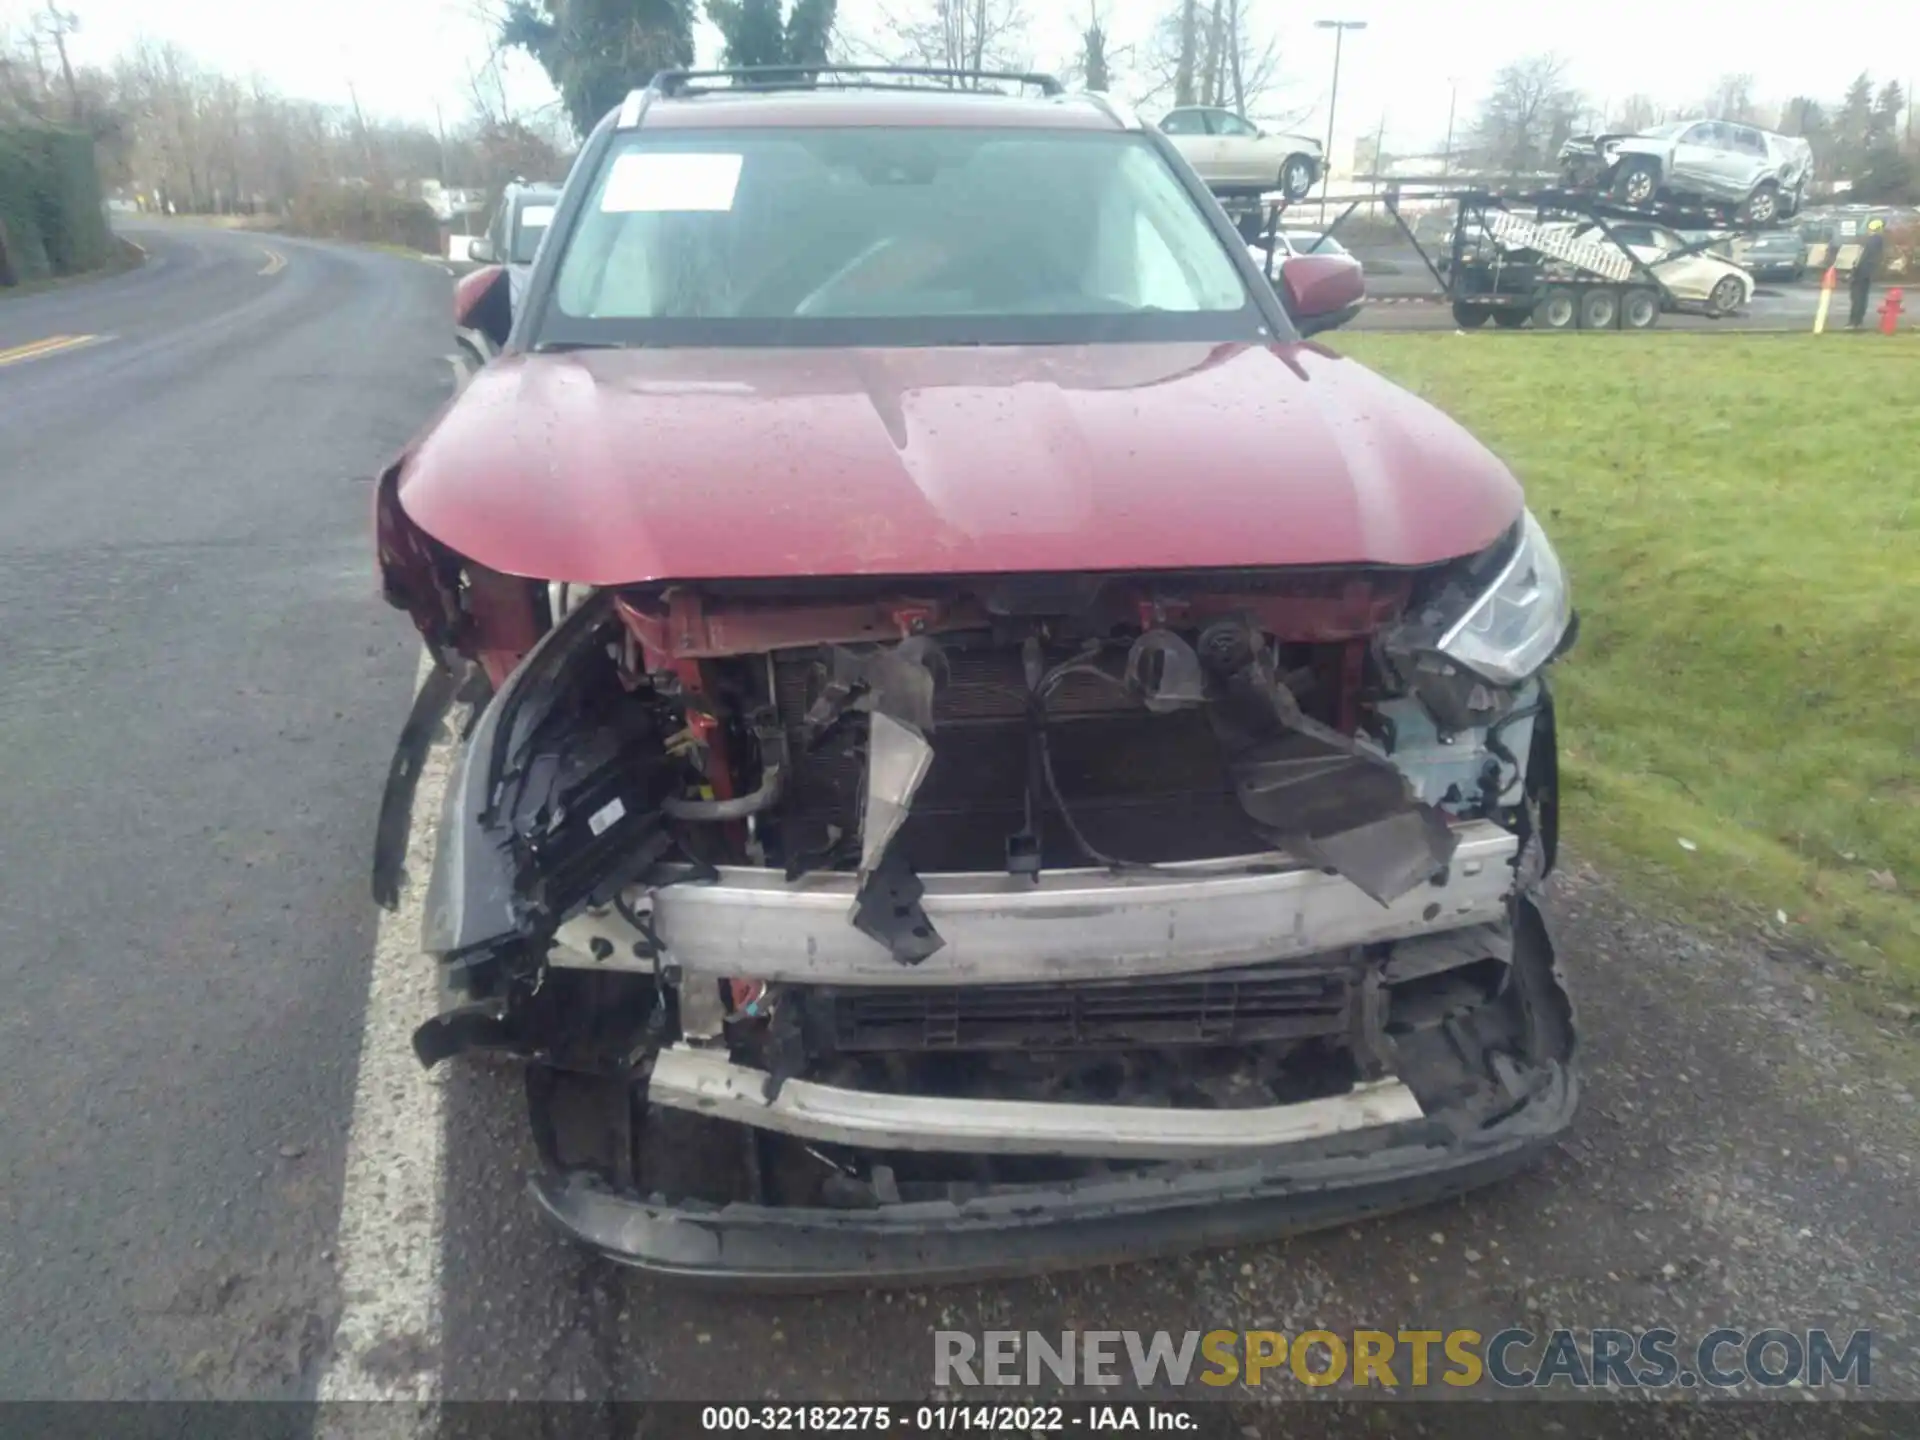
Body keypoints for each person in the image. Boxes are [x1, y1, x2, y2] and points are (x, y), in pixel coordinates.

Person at [1848, 216, 1887, 329]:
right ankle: (1858, 321)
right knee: (1863, 297)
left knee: (1857, 297)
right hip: (1868, 274)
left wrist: (1853, 272)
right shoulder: (1878, 241)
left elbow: (1862, 258)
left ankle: (1854, 321)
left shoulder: (1871, 241)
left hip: (1861, 274)